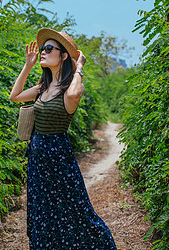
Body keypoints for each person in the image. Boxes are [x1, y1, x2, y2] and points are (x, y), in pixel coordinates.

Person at [10, 28, 117, 249]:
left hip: (59, 161)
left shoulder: (70, 88)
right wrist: (28, 65)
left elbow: (75, 95)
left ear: (63, 55)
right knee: (43, 214)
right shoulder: (42, 87)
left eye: (49, 49)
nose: (43, 52)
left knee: (76, 213)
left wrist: (79, 68)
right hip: (38, 162)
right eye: (42, 49)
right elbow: (15, 96)